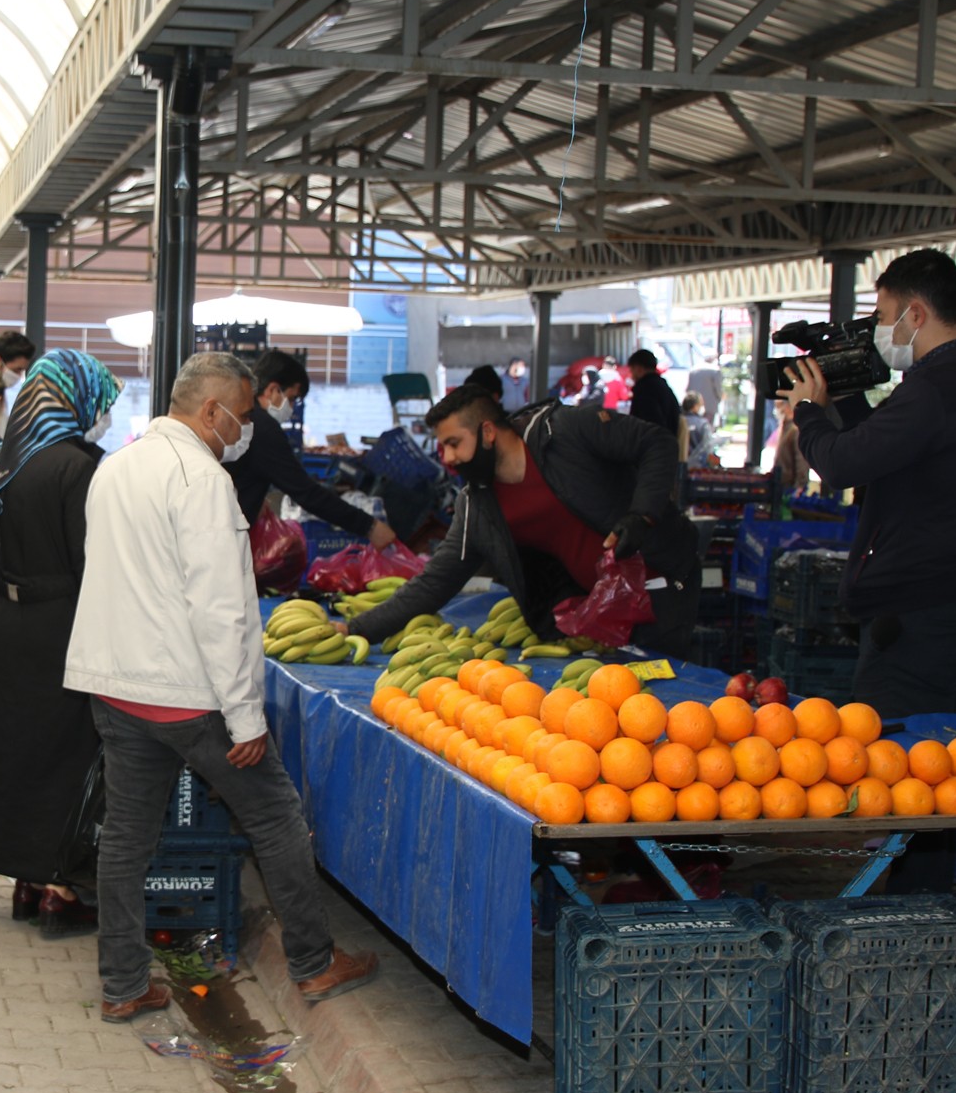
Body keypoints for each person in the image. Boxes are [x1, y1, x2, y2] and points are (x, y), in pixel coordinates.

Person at [64, 351, 380, 1025]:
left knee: (126, 837)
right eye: (243, 413)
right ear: (211, 411)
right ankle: (314, 962)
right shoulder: (201, 479)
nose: (248, 428)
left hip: (114, 686)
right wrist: (246, 717)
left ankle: (122, 983)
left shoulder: (114, 466)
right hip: (184, 691)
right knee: (275, 815)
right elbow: (224, 610)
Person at [782, 247, 956, 721]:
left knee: (899, 764)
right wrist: (845, 396)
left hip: (917, 616)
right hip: (950, 601)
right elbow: (885, 452)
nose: (879, 330)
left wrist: (808, 411)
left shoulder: (931, 391)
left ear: (916, 314)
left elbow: (841, 465)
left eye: (884, 316)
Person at [343, 384, 701, 658]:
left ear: (487, 432)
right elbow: (432, 584)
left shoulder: (564, 432)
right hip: (602, 613)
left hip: (664, 584)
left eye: (455, 443)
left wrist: (642, 515)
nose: (449, 458)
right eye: (443, 448)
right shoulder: (478, 506)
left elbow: (657, 442)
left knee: (667, 698)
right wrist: (354, 629)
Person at [0, 350, 121, 937]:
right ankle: (59, 887)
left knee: (14, 756)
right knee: (62, 758)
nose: (101, 416)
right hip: (61, 628)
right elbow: (93, 562)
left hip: (3, 628)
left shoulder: (2, 460)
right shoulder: (78, 466)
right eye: (100, 404)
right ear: (74, 399)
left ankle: (25, 881)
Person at [228, 350, 397, 549]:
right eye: (291, 398)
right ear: (272, 390)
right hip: (226, 537)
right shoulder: (263, 427)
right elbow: (307, 493)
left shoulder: (244, 418)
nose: (291, 408)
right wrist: (369, 527)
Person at [624, 349, 681, 435]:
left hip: (656, 445)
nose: (631, 375)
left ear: (639, 369)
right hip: (668, 442)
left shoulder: (645, 389)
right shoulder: (662, 386)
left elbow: (650, 424)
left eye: (632, 370)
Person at [682, 393, 717, 469]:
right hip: (697, 469)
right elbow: (708, 448)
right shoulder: (702, 424)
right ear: (695, 406)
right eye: (701, 405)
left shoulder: (677, 421)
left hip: (678, 467)